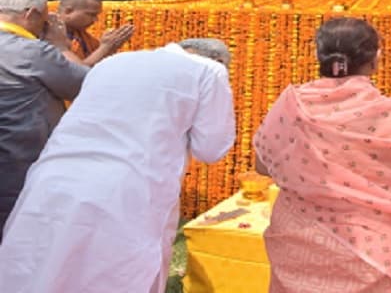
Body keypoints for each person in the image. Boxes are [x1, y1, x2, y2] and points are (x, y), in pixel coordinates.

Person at [0, 38, 234, 292]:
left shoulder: (112, 62)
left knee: (38, 265)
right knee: (111, 273)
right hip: (126, 187)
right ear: (218, 59)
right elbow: (211, 148)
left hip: (54, 176)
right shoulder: (209, 70)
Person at [255, 18, 391, 292]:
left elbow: (263, 166)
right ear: (376, 59)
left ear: (318, 56)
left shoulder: (291, 107)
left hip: (301, 239)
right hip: (378, 251)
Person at [0, 0, 84, 237]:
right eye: (46, 21)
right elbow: (86, 86)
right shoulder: (32, 52)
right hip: (17, 162)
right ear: (31, 14)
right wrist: (61, 46)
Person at [57, 0, 134, 66]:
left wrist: (111, 47)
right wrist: (105, 48)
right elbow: (73, 71)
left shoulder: (82, 36)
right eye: (91, 14)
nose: (95, 20)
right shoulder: (50, 36)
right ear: (68, 12)